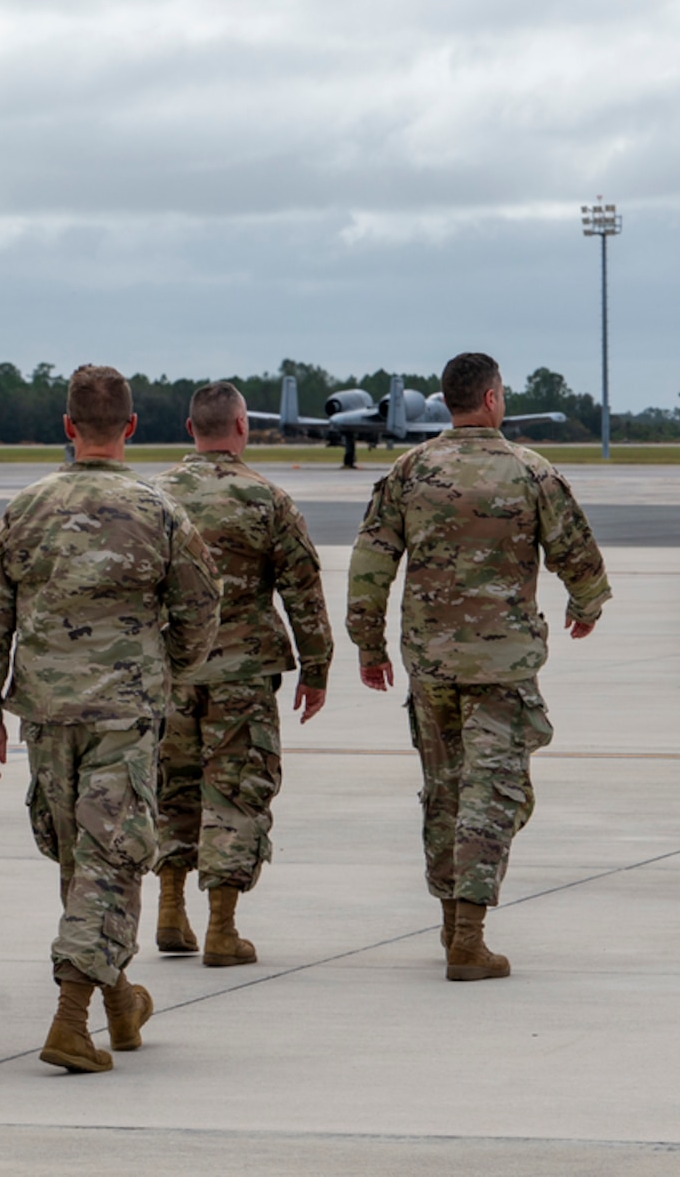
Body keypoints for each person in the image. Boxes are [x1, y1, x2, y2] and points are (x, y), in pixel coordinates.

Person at [0, 365, 220, 1073]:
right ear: (131, 428)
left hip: (46, 712)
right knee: (105, 860)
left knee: (87, 859)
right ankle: (73, 1019)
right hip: (123, 711)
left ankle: (118, 1002)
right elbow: (201, 610)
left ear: (68, 428)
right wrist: (162, 668)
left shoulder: (26, 508)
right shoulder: (158, 510)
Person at [349, 352, 610, 981]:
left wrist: (369, 643)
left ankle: (451, 923)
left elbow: (371, 561)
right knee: (492, 793)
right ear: (492, 399)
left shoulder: (410, 471)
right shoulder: (529, 471)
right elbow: (576, 550)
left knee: (444, 791)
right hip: (501, 664)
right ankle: (467, 934)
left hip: (431, 663)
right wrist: (587, 602)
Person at [150, 382, 333, 965]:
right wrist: (317, 664)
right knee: (235, 793)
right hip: (242, 674)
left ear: (190, 430)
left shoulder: (152, 497)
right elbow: (302, 588)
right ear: (242, 427)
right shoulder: (266, 499)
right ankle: (222, 930)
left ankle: (170, 912)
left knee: (169, 788)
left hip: (170, 671)